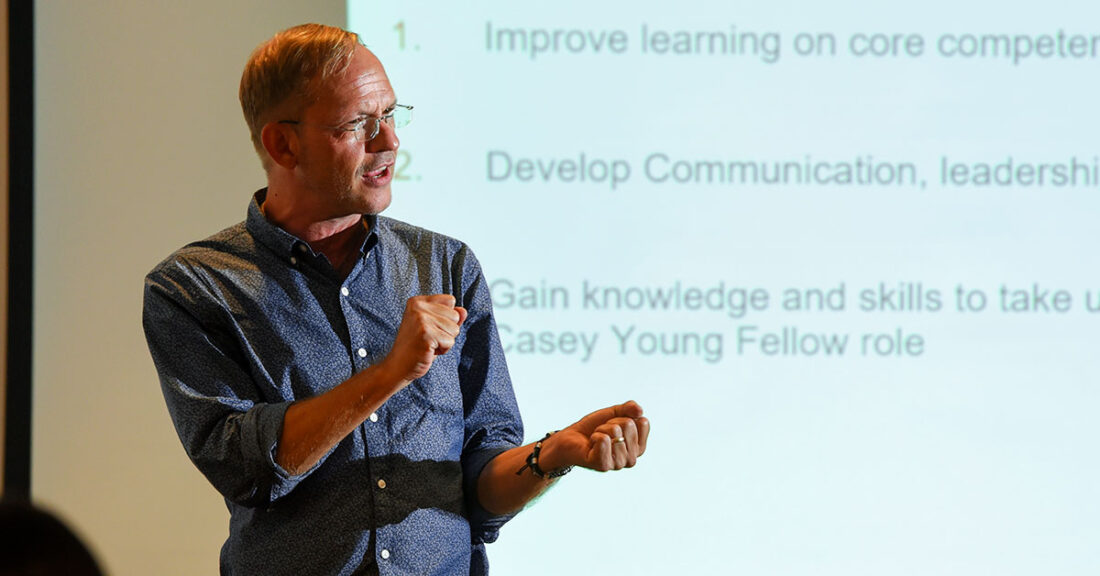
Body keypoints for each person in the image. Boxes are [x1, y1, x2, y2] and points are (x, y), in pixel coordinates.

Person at [142, 23, 649, 575]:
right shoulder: (196, 286)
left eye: (390, 114)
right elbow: (248, 468)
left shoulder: (446, 265)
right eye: (359, 124)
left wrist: (552, 457)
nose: (389, 142)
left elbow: (479, 490)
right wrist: (390, 373)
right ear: (282, 143)